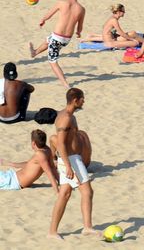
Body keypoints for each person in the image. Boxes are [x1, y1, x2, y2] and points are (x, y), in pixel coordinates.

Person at [49, 88, 96, 240]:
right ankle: (87, 227)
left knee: (64, 194)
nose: (84, 101)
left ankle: (53, 231)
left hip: (72, 159)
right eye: (82, 98)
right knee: (87, 192)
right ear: (75, 100)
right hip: (71, 160)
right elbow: (61, 144)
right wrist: (68, 166)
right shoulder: (65, 118)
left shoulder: (67, 115)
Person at [29, 0, 85, 89]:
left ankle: (65, 83)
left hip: (57, 38)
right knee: (49, 39)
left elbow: (49, 15)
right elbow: (80, 27)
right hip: (66, 39)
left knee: (52, 61)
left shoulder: (62, 3)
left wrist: (43, 20)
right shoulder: (81, 9)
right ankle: (34, 52)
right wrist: (78, 33)